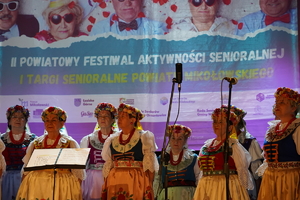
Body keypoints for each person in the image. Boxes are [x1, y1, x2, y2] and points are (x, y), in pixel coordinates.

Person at [16, 106, 85, 200]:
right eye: (47, 120)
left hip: (62, 186)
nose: (49, 123)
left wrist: (75, 191)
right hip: (38, 186)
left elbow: (79, 174)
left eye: (54, 120)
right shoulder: (35, 143)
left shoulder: (70, 143)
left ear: (62, 123)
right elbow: (26, 170)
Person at [193, 107, 253, 200]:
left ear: (229, 127)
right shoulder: (207, 145)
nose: (216, 125)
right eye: (214, 121)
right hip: (206, 187)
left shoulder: (233, 145)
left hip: (225, 186)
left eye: (220, 122)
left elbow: (242, 169)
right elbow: (201, 172)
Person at [101, 103, 158, 200]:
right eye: (119, 117)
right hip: (115, 180)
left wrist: (149, 186)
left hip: (136, 181)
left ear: (133, 120)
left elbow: (150, 165)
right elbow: (109, 165)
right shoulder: (112, 139)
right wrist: (107, 183)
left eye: (123, 116)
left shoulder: (144, 137)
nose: (119, 119)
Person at [257, 87, 300, 200]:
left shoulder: (298, 127)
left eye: (282, 102)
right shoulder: (271, 130)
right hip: (270, 178)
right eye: (276, 102)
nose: (277, 105)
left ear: (293, 108)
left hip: (290, 179)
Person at [222, 105, 263, 200]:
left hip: (242, 187)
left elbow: (256, 174)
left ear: (238, 120)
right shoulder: (216, 142)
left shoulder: (249, 141)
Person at [80, 102, 118, 200]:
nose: (103, 118)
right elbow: (81, 163)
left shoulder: (119, 138)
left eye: (106, 116)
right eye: (100, 116)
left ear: (113, 119)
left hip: (113, 176)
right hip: (93, 179)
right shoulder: (88, 139)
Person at [1, 105, 36, 200]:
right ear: (9, 120)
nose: (18, 120)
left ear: (25, 120)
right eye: (14, 117)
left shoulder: (33, 139)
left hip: (26, 178)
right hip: (6, 178)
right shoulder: (2, 139)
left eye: (21, 117)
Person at [156, 124, 200, 200]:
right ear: (169, 140)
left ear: (185, 141)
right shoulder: (162, 159)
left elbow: (199, 179)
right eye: (173, 138)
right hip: (167, 195)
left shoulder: (193, 158)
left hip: (188, 195)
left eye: (180, 139)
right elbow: (157, 180)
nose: (176, 141)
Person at [89, 0, 168, 36]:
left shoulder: (158, 28)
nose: (127, 3)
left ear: (140, 1)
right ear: (113, 2)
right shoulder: (98, 30)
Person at [171, 0, 235, 34]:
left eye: (209, 1)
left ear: (217, 3)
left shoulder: (232, 28)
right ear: (189, 3)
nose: (203, 7)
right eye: (197, 1)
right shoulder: (175, 30)